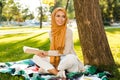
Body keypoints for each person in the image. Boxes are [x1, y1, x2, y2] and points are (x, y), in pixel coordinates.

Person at [23, 7, 84, 78]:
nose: (60, 19)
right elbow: (55, 50)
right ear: (53, 17)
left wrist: (47, 53)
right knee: (36, 57)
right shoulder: (51, 32)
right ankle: (58, 73)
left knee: (71, 58)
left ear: (65, 18)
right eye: (58, 16)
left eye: (63, 16)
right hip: (57, 59)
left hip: (68, 60)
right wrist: (42, 53)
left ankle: (52, 70)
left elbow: (66, 51)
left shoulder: (68, 31)